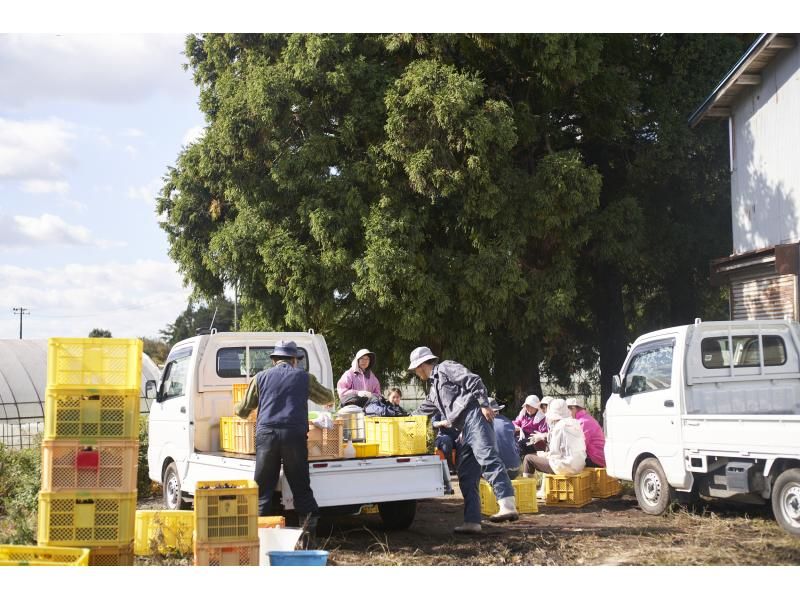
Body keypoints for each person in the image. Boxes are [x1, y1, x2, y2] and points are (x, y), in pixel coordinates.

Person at [409, 346, 518, 534]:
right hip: (463, 427)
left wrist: (484, 404)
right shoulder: (434, 390)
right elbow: (424, 409)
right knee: (466, 472)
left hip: (474, 414)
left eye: (415, 369)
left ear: (421, 366)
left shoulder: (445, 368)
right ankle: (472, 521)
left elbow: (473, 380)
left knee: (487, 457)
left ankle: (507, 503)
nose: (415, 373)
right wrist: (404, 418)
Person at [235, 340, 334, 544]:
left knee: (263, 490)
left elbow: (243, 410)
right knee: (301, 486)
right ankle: (307, 540)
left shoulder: (260, 377)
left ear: (274, 360)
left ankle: (260, 540)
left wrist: (241, 407)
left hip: (267, 436)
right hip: (294, 436)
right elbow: (327, 397)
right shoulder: (304, 377)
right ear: (294, 360)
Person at [522, 397, 586, 477]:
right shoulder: (575, 423)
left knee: (528, 458)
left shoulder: (559, 426)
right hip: (579, 465)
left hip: (564, 467)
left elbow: (554, 454)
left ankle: (528, 487)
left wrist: (543, 455)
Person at [566, 398, 606, 468]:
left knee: (568, 463)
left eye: (568, 410)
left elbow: (580, 446)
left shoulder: (582, 422)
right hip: (598, 456)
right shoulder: (585, 418)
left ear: (574, 408)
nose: (567, 413)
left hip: (595, 458)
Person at [488, 398, 521, 479]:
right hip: (514, 470)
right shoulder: (507, 421)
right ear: (497, 410)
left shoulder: (483, 424)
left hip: (495, 472)